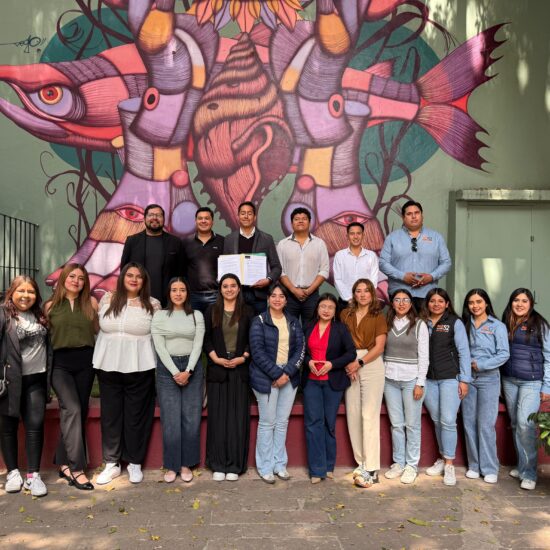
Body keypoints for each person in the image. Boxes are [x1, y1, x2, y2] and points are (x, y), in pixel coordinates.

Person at [93, 262, 161, 485]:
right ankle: (111, 463)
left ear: (144, 281)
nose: (133, 279)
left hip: (140, 366)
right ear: (122, 277)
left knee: (136, 416)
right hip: (108, 364)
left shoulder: (153, 304)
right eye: (129, 275)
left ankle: (134, 462)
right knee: (111, 415)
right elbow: (97, 327)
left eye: (138, 276)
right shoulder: (107, 299)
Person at [45, 264, 99, 491]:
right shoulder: (50, 306)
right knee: (73, 409)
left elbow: (98, 331)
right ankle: (77, 469)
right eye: (72, 276)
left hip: (86, 363)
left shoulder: (92, 303)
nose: (76, 281)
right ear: (64, 279)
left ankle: (63, 464)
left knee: (78, 413)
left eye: (81, 278)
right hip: (60, 365)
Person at [249, 283, 305, 483]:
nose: (277, 299)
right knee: (267, 422)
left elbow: (300, 349)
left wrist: (287, 373)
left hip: (288, 376)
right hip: (266, 378)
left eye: (281, 296)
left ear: (286, 300)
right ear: (268, 299)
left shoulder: (293, 322)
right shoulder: (259, 321)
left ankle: (279, 464)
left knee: (282, 422)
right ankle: (265, 467)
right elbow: (257, 352)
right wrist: (276, 374)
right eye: (273, 295)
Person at [152, 277, 205, 483]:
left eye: (182, 289)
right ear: (169, 293)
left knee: (191, 418)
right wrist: (176, 372)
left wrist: (188, 370)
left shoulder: (196, 315)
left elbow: (198, 344)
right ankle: (172, 465)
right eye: (174, 290)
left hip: (192, 367)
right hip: (167, 369)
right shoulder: (160, 315)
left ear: (187, 293)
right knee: (171, 419)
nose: (178, 293)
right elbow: (159, 346)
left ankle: (186, 464)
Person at [0, 276, 50, 497]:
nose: (25, 295)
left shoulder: (40, 315)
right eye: (21, 291)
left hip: (36, 380)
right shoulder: (3, 315)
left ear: (36, 295)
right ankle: (12, 473)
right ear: (12, 293)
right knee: (7, 427)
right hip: (9, 382)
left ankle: (33, 476)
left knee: (35, 426)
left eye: (30, 291)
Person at [203, 273, 253, 481]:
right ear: (220, 289)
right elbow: (206, 338)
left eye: (233, 285)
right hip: (218, 371)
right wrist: (215, 358)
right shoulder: (212, 310)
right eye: (225, 286)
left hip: (240, 371)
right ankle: (218, 464)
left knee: (237, 419)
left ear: (239, 288)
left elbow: (252, 339)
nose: (229, 289)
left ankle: (234, 465)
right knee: (218, 419)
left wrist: (244, 357)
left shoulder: (247, 311)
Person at [302, 293, 356, 484]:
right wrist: (308, 362)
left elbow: (351, 353)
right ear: (317, 309)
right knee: (313, 424)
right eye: (323, 306)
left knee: (328, 423)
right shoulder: (307, 327)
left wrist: (332, 364)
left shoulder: (341, 329)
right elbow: (300, 351)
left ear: (335, 311)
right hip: (311, 381)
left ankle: (328, 466)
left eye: (330, 307)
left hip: (333, 382)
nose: (326, 310)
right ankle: (316, 470)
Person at [501, 288, 550, 491]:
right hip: (509, 380)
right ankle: (522, 466)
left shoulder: (540, 324)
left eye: (524, 301)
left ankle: (529, 473)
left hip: (531, 381)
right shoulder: (506, 322)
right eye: (516, 300)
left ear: (531, 304)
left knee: (525, 423)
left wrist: (547, 385)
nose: (519, 304)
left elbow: (549, 356)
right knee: (515, 423)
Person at [340, 279, 387, 487]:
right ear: (353, 294)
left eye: (366, 291)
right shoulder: (345, 314)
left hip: (370, 363)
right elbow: (340, 341)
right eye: (358, 291)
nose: (362, 294)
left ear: (372, 294)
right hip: (350, 363)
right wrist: (348, 363)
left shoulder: (378, 316)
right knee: (353, 414)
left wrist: (359, 363)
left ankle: (372, 468)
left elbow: (379, 347)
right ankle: (361, 463)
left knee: (369, 415)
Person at [423, 288, 471, 486]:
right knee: (437, 420)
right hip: (428, 379)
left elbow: (464, 352)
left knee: (448, 420)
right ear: (427, 304)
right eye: (432, 301)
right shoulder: (422, 322)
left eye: (440, 301)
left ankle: (450, 464)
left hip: (450, 378)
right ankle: (442, 459)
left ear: (447, 304)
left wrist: (465, 380)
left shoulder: (454, 322)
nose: (436, 304)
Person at [461, 289, 509, 484]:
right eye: (471, 302)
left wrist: (481, 364)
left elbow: (504, 354)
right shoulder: (464, 325)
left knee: (486, 425)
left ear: (486, 303)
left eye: (479, 302)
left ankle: (489, 468)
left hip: (489, 379)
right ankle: (474, 465)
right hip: (467, 379)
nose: (475, 306)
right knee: (469, 422)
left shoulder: (497, 326)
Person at [383, 289, 429, 485]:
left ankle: (411, 465)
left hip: (411, 380)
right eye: (397, 300)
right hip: (389, 380)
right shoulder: (386, 323)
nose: (401, 303)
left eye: (405, 300)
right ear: (392, 303)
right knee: (396, 424)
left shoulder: (419, 325)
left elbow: (424, 357)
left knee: (412, 424)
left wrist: (420, 383)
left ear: (411, 303)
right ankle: (399, 463)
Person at [379, 200, 451, 311]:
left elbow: (446, 263)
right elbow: (383, 263)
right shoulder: (392, 238)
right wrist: (403, 276)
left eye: (417, 213)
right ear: (403, 218)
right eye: (409, 214)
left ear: (422, 215)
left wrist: (431, 277)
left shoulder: (436, 237)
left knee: (426, 323)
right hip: (400, 294)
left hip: (428, 295)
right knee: (400, 323)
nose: (413, 216)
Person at [223, 202, 281, 315]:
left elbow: (276, 267)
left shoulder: (267, 239)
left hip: (258, 296)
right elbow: (225, 267)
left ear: (254, 217)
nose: (246, 216)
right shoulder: (229, 239)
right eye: (243, 213)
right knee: (238, 325)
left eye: (249, 213)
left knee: (258, 325)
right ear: (238, 216)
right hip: (236, 295)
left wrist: (268, 279)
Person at [121, 203, 185, 305]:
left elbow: (181, 273)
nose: (154, 218)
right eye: (151, 215)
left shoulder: (175, 242)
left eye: (158, 215)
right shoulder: (132, 241)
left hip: (167, 301)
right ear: (144, 218)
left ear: (163, 219)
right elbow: (124, 271)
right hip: (138, 299)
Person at [277, 208, 330, 324]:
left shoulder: (319, 244)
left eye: (304, 219)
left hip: (312, 295)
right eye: (297, 219)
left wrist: (309, 290)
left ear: (310, 222)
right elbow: (280, 271)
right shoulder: (282, 244)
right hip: (289, 295)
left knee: (311, 329)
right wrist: (293, 290)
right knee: (289, 328)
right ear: (292, 223)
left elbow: (324, 270)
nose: (300, 221)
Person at [183, 207, 224, 314]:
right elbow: (181, 269)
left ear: (212, 221)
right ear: (195, 221)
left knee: (214, 324)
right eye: (200, 218)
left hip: (216, 295)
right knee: (195, 324)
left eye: (207, 218)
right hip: (193, 296)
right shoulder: (186, 242)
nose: (203, 221)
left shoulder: (223, 241)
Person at [333, 222, 379, 310]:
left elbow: (373, 280)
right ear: (347, 236)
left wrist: (364, 297)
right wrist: (349, 299)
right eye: (352, 234)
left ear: (363, 235)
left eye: (358, 233)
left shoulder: (371, 255)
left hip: (366, 302)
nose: (355, 236)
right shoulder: (340, 255)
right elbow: (337, 280)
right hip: (346, 302)